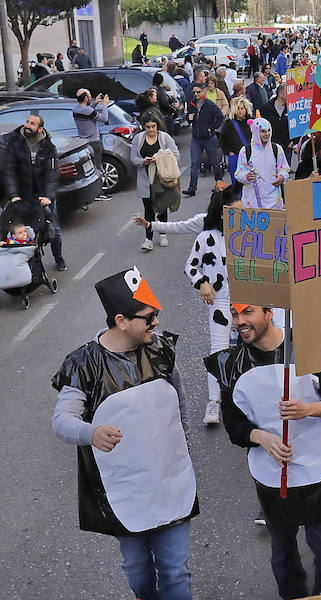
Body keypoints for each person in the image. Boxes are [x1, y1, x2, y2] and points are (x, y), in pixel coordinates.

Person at [51, 267, 197, 600]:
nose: (157, 322)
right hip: (124, 490)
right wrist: (92, 432)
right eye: (149, 316)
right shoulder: (83, 364)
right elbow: (62, 420)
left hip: (170, 481)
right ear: (121, 321)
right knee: (138, 573)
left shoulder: (161, 350)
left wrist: (182, 452)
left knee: (176, 573)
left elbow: (180, 405)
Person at [206, 303, 321, 598]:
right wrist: (261, 438)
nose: (239, 321)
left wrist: (308, 409)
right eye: (235, 314)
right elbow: (234, 425)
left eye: (247, 312)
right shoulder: (230, 363)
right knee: (282, 558)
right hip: (274, 479)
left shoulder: (309, 345)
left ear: (269, 312)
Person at [185, 185, 242, 424]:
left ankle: (243, 398)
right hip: (219, 302)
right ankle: (214, 402)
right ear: (223, 213)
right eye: (237, 211)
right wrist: (202, 283)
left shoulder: (250, 236)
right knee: (218, 351)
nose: (242, 215)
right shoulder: (206, 238)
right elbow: (191, 266)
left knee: (246, 350)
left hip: (247, 302)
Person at [4, 113, 66, 270]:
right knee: (23, 230)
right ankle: (32, 263)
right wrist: (14, 195)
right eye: (27, 122)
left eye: (32, 124)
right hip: (23, 194)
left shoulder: (48, 147)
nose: (28, 126)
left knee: (54, 229)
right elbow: (9, 171)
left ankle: (58, 258)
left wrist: (49, 196)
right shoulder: (15, 142)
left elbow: (52, 174)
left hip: (43, 194)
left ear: (40, 129)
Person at [130, 113, 180, 251]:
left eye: (153, 127)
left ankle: (163, 233)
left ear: (157, 126)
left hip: (162, 180)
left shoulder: (165, 138)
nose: (151, 130)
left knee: (162, 207)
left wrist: (160, 158)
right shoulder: (138, 139)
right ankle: (148, 239)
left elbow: (176, 155)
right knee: (149, 210)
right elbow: (133, 157)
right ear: (143, 127)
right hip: (145, 180)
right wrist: (143, 161)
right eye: (148, 127)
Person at [235, 116, 289, 209]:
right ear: (255, 132)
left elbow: (284, 169)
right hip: (252, 202)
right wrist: (247, 176)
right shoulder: (245, 151)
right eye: (263, 131)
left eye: (268, 130)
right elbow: (238, 174)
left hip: (274, 203)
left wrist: (281, 177)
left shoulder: (277, 149)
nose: (267, 134)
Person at [184, 82, 225, 197]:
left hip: (209, 138)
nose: (196, 94)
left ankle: (219, 184)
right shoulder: (192, 104)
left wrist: (210, 128)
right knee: (195, 163)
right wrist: (189, 118)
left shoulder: (210, 105)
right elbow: (189, 119)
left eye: (198, 92)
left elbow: (220, 118)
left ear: (203, 92)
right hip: (196, 139)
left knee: (214, 162)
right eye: (194, 92)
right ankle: (192, 188)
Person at [72, 88, 109, 199]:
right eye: (89, 96)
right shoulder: (88, 111)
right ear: (85, 98)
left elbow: (88, 112)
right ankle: (99, 194)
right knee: (97, 168)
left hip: (84, 143)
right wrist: (104, 105)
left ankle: (92, 193)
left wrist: (95, 102)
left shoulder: (76, 110)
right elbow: (104, 118)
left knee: (90, 170)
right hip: (94, 142)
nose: (90, 97)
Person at [220, 97, 254, 184]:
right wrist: (229, 153)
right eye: (237, 109)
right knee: (237, 183)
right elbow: (222, 140)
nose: (240, 111)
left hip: (251, 156)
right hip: (235, 157)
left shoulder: (252, 121)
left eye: (242, 108)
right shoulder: (228, 124)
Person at [261, 83, 291, 158]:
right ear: (280, 94)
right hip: (270, 146)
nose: (290, 95)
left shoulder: (291, 109)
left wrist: (292, 142)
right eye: (288, 93)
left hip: (287, 147)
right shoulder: (266, 108)